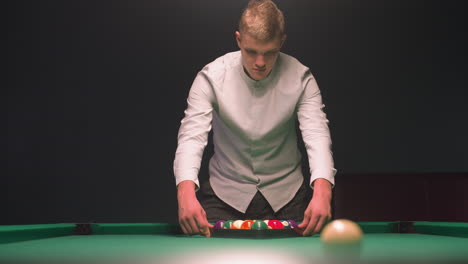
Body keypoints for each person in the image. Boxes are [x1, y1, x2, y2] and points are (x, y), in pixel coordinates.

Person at [173, 0, 336, 237]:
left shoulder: (302, 78)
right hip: (224, 198)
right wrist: (185, 194)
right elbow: (191, 138)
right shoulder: (211, 77)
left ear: (282, 41)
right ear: (239, 40)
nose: (260, 62)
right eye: (251, 51)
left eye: (269, 53)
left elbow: (317, 136)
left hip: (289, 199)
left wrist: (323, 193)